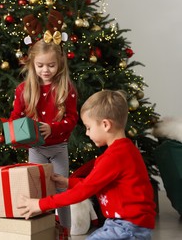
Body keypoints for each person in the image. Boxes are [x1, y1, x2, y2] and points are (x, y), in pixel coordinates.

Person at [17, 90, 156, 240]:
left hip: (127, 227)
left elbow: (82, 192)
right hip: (123, 224)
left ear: (105, 125)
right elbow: (95, 184)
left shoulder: (114, 157)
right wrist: (68, 182)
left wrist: (40, 204)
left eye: (89, 128)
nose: (88, 134)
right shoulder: (125, 150)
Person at [9, 37, 78, 238]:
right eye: (40, 65)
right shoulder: (24, 89)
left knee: (61, 190)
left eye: (51, 65)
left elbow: (72, 119)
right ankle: (42, 228)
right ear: (32, 64)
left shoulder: (67, 89)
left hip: (58, 149)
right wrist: (15, 133)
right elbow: (16, 117)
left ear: (60, 64)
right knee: (36, 190)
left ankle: (65, 229)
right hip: (36, 149)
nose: (45, 70)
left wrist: (53, 128)